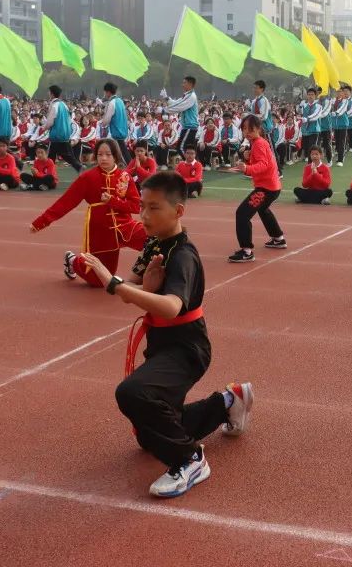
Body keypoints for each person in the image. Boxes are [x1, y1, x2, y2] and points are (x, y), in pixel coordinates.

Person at [77, 171, 253, 498]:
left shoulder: (183, 254)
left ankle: (190, 459)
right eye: (142, 206)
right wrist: (135, 286)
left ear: (178, 211)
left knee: (132, 394)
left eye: (153, 208)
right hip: (162, 344)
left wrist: (114, 283)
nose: (143, 215)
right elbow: (132, 287)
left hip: (186, 349)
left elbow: (171, 307)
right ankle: (228, 402)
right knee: (152, 432)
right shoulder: (155, 243)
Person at [30, 139, 147, 287]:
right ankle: (73, 261)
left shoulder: (124, 177)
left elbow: (136, 206)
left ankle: (150, 277)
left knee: (153, 239)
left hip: (125, 226)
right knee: (100, 281)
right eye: (100, 154)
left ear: (116, 156)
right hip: (101, 231)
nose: (103, 158)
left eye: (108, 154)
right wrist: (41, 221)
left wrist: (113, 201)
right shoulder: (88, 178)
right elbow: (65, 202)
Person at [226, 115, 286, 261]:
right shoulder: (258, 143)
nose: (247, 132)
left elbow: (263, 165)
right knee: (263, 210)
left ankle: (247, 251)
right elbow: (262, 161)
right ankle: (278, 238)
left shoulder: (258, 143)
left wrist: (247, 168)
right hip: (272, 187)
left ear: (259, 129)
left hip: (266, 188)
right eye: (244, 129)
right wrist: (247, 157)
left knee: (242, 213)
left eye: (250, 129)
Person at [43, 85, 84, 174]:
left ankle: (48, 174)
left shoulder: (53, 105)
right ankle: (77, 166)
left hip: (56, 135)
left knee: (52, 156)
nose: (48, 93)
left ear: (52, 94)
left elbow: (50, 122)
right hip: (64, 134)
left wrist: (44, 127)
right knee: (64, 155)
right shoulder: (63, 105)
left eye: (49, 92)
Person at [164, 76, 200, 153]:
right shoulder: (187, 95)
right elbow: (176, 103)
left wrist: (166, 110)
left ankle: (189, 164)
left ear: (190, 84)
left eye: (184, 83)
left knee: (181, 148)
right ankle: (192, 164)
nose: (182, 85)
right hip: (188, 126)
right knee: (189, 150)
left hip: (189, 126)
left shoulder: (191, 96)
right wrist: (166, 97)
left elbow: (179, 107)